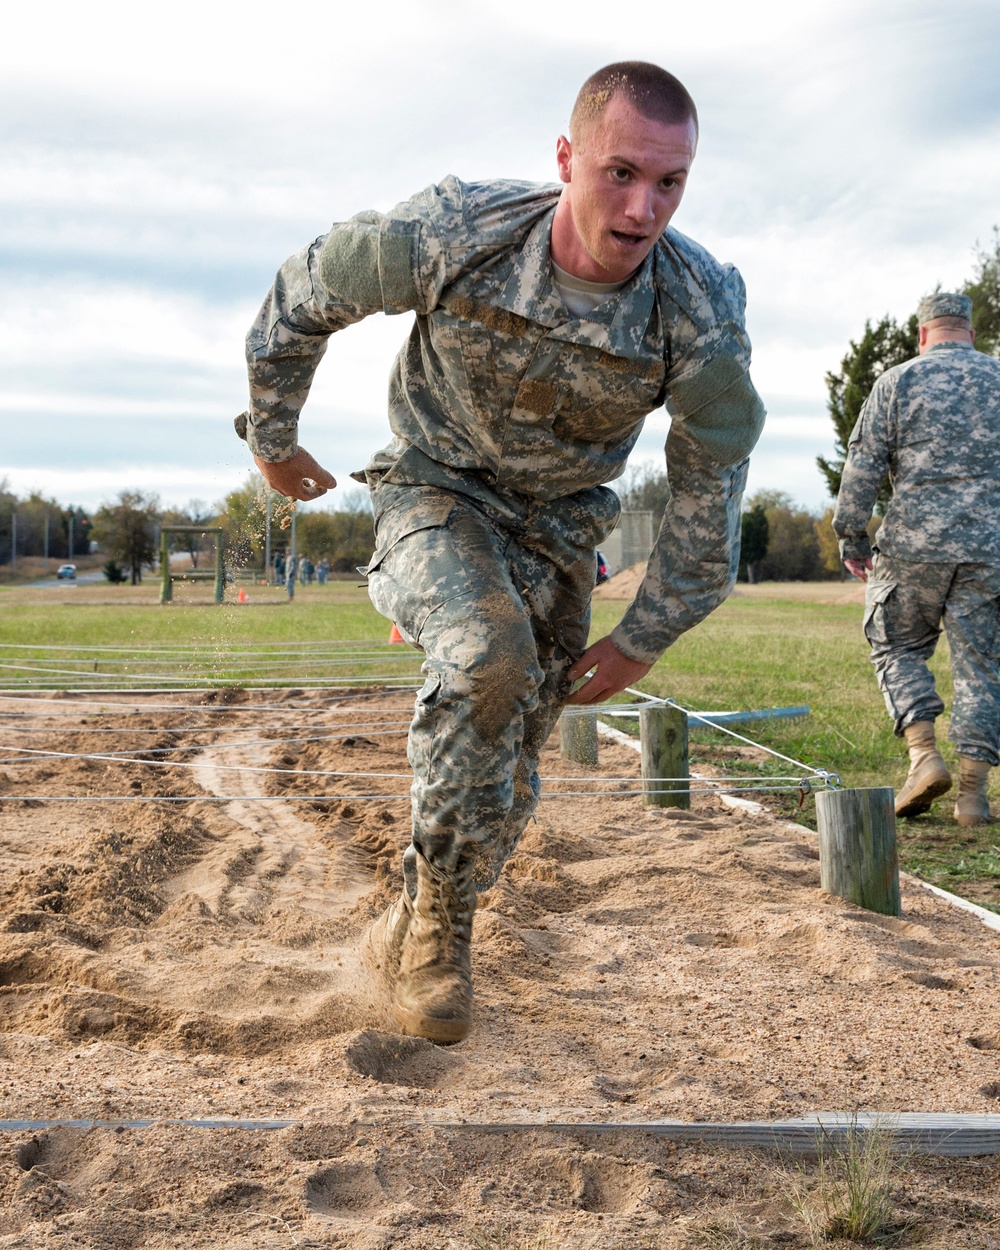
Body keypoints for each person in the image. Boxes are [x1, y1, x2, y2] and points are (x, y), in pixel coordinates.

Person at [236, 61, 765, 1043]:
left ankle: (417, 905)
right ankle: (442, 931)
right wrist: (274, 440)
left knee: (511, 777)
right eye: (619, 173)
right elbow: (304, 292)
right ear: (566, 159)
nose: (642, 206)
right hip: (436, 491)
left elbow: (712, 476)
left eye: (669, 183)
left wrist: (649, 631)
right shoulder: (453, 233)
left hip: (562, 529)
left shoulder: (697, 307)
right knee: (487, 655)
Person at [833, 292, 1000, 826]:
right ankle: (973, 797)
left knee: (895, 644)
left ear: (923, 335)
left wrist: (852, 537)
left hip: (912, 548)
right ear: (970, 334)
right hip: (990, 549)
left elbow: (862, 466)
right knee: (982, 669)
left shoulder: (897, 382)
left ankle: (924, 758)